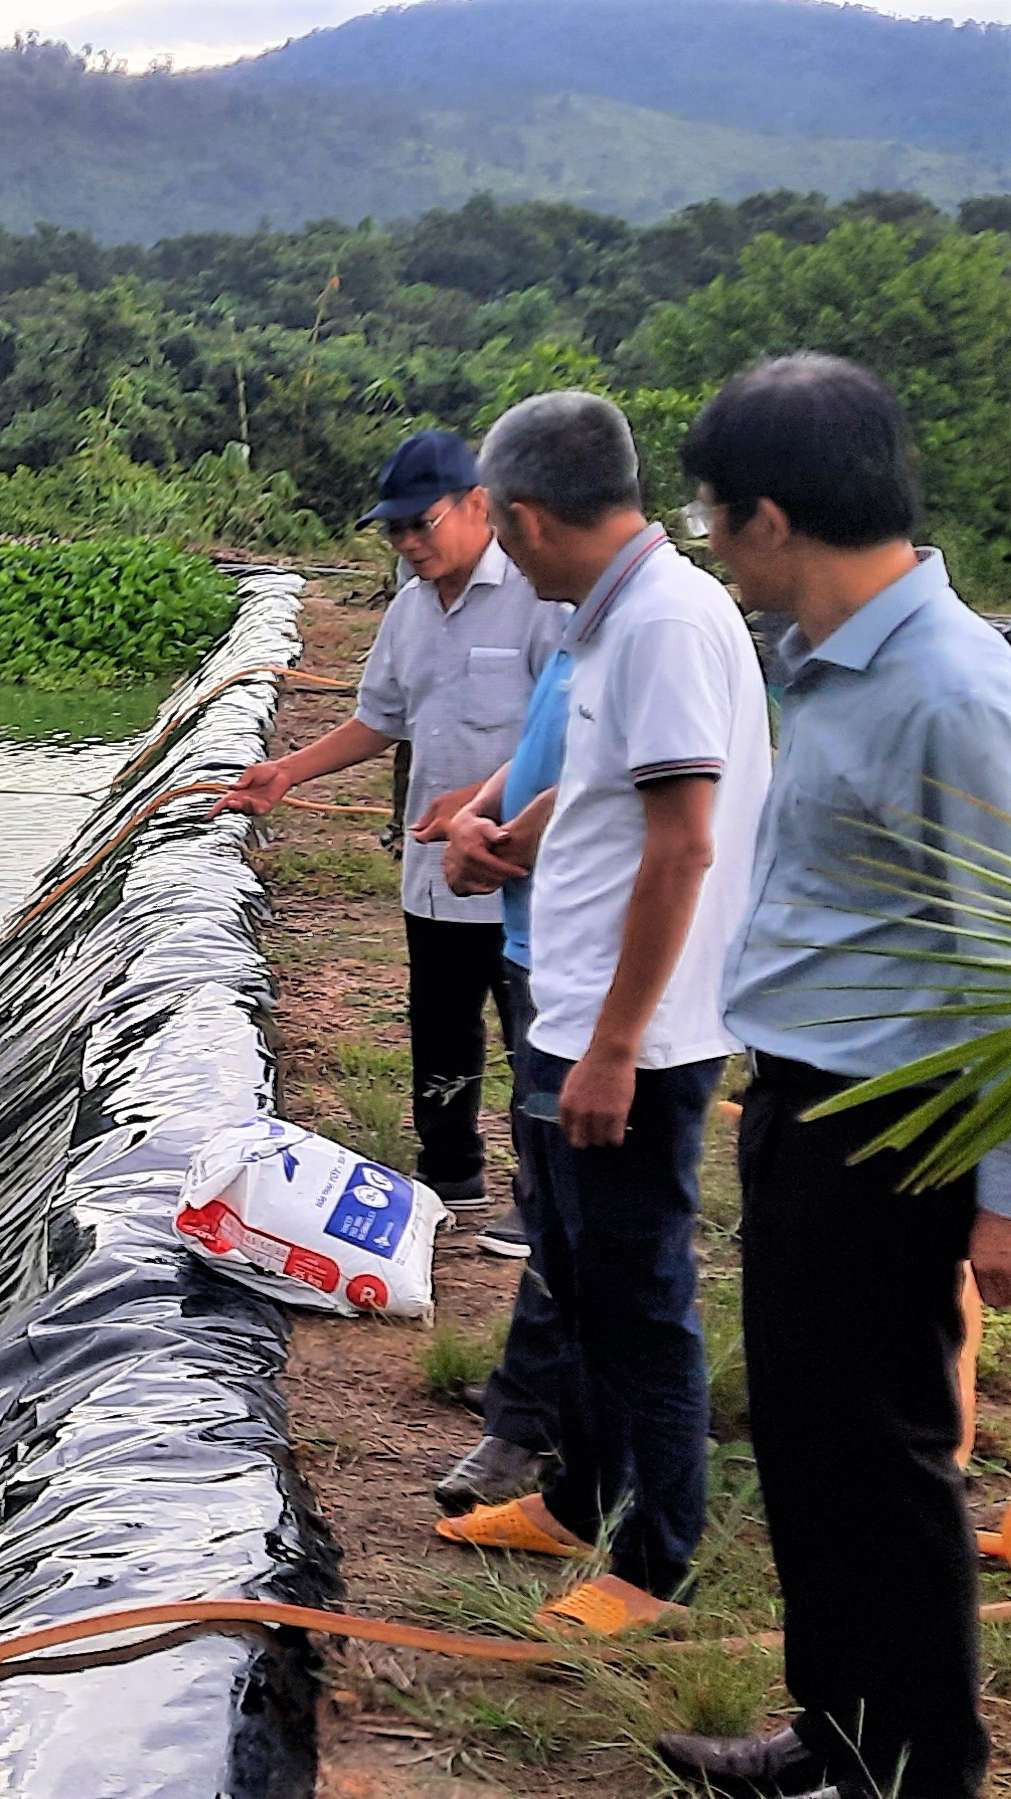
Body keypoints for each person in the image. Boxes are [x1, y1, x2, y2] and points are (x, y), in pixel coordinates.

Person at [656, 355, 1011, 1799]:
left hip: (896, 1130)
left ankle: (914, 1768)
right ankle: (837, 1724)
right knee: (807, 1440)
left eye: (710, 520)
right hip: (807, 1104)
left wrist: (1000, 1199)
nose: (711, 549)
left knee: (881, 1454)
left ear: (766, 517)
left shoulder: (947, 692)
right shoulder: (828, 664)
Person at [432, 391, 773, 1639]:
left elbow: (682, 846)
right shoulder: (613, 619)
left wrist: (619, 1045)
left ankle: (659, 1565)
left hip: (638, 1034)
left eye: (501, 532)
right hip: (575, 1009)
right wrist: (501, 837)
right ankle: (577, 1501)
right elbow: (598, 790)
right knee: (574, 1279)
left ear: (523, 515)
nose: (506, 556)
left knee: (640, 1299)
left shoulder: (668, 625)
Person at [218, 430, 569, 1224]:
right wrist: (285, 773)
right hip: (435, 874)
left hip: (522, 867)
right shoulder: (411, 610)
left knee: (536, 1037)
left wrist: (481, 801)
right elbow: (379, 721)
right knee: (440, 1033)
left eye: (423, 522)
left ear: (477, 505)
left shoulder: (538, 598)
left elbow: (572, 734)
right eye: (395, 530)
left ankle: (539, 1198)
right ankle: (450, 1176)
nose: (410, 542)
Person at [412, 629, 577, 1517]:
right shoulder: (586, 631)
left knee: (605, 1231)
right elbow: (551, 761)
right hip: (537, 944)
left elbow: (636, 793)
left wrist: (498, 832)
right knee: (565, 1215)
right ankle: (533, 1424)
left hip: (589, 978)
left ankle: (594, 1482)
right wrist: (481, 812)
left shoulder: (655, 626)